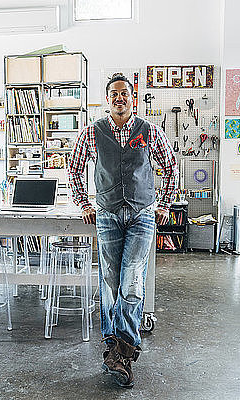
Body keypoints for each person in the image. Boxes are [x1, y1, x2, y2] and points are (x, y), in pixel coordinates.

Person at [67, 73, 178, 388]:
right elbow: (73, 169)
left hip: (143, 214)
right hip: (106, 214)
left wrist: (164, 205)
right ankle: (113, 346)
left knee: (131, 281)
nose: (119, 98)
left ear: (134, 98)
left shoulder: (149, 131)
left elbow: (170, 168)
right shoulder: (92, 132)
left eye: (125, 94)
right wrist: (84, 204)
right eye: (114, 93)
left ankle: (123, 351)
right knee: (110, 283)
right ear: (107, 99)